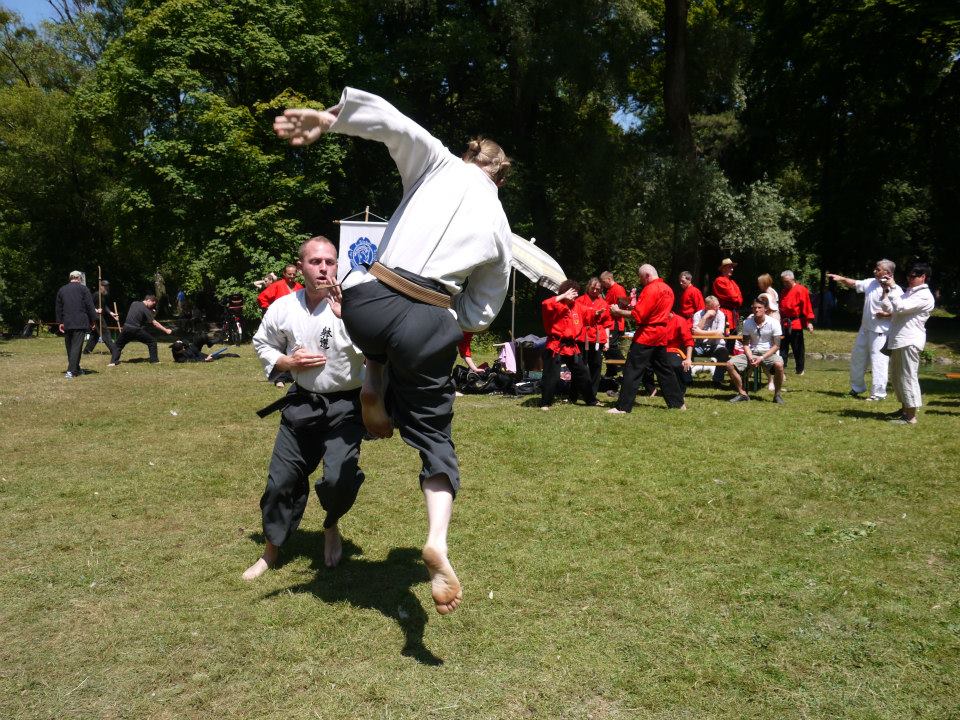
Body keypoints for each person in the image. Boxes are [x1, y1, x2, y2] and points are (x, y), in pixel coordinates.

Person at [274, 87, 513, 615]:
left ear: (471, 154)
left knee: (379, 343)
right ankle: (438, 540)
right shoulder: (500, 225)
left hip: (368, 302)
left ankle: (373, 383)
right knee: (435, 437)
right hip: (428, 318)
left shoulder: (437, 162)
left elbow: (393, 124)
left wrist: (329, 119)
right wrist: (450, 319)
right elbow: (484, 309)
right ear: (499, 176)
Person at [244, 237, 367, 579]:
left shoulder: (354, 306)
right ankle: (271, 550)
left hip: (346, 406)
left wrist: (352, 319)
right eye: (315, 261)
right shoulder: (284, 306)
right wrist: (285, 360)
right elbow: (262, 341)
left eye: (330, 261)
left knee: (339, 478)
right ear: (301, 268)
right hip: (302, 403)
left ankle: (331, 524)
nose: (324, 267)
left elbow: (378, 350)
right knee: (280, 482)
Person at [607, 264, 684, 413]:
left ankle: (623, 407)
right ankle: (678, 404)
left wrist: (618, 311)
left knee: (632, 369)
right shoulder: (668, 289)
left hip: (647, 335)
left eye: (641, 278)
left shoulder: (650, 289)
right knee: (664, 370)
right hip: (661, 334)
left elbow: (639, 316)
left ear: (647, 275)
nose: (641, 281)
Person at [827, 260, 900, 400]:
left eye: (878, 269)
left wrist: (887, 314)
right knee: (857, 359)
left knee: (879, 362)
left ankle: (878, 394)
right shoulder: (871, 282)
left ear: (888, 273)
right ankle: (857, 388)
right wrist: (841, 278)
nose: (875, 271)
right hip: (865, 329)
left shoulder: (896, 289)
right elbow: (854, 283)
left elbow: (902, 310)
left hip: (880, 332)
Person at [879, 262, 935, 425]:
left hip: (909, 340)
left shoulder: (924, 295)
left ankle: (911, 416)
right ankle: (904, 409)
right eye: (908, 275)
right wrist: (886, 290)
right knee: (897, 377)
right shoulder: (910, 292)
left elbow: (901, 307)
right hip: (899, 339)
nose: (909, 279)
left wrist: (894, 287)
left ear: (923, 277)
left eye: (913, 276)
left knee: (908, 377)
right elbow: (890, 308)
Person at [540, 280, 597, 409]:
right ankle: (545, 402)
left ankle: (591, 400)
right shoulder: (555, 304)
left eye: (576, 294)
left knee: (583, 373)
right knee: (551, 376)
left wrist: (600, 312)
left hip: (571, 347)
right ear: (565, 293)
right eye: (572, 294)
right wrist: (562, 297)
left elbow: (589, 312)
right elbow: (545, 304)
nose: (575, 297)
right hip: (556, 345)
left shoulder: (577, 306)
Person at [726, 296, 785, 404]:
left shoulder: (774, 322)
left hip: (768, 353)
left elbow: (776, 345)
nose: (756, 310)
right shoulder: (747, 323)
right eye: (754, 308)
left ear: (765, 309)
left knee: (779, 365)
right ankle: (742, 393)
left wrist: (761, 358)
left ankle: (777, 395)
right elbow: (746, 344)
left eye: (759, 307)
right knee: (729, 364)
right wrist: (750, 357)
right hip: (751, 353)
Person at [642, 311, 692, 406]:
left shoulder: (680, 320)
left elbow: (688, 340)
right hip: (654, 347)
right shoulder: (655, 319)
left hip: (672, 349)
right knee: (643, 363)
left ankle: (679, 391)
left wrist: (688, 358)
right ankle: (651, 389)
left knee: (675, 364)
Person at [55, 270, 98, 379]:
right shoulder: (84, 289)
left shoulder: (62, 290)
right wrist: (93, 320)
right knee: (76, 347)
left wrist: (60, 322)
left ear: (70, 278)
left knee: (70, 347)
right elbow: (90, 306)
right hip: (80, 322)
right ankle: (71, 371)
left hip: (67, 322)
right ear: (79, 278)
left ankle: (76, 368)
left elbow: (58, 308)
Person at [574, 277, 612, 398]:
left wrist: (607, 341)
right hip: (582, 336)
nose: (595, 291)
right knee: (581, 365)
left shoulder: (604, 303)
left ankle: (592, 393)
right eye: (593, 288)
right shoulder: (579, 300)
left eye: (598, 289)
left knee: (596, 365)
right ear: (588, 287)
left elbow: (607, 324)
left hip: (597, 337)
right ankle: (578, 391)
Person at [109, 295, 173, 365]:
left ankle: (113, 362)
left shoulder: (134, 303)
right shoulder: (145, 309)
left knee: (118, 345)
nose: (153, 306)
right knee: (152, 342)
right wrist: (166, 330)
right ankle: (154, 361)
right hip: (135, 330)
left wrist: (151, 311)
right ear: (148, 300)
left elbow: (140, 314)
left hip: (126, 328)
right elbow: (154, 323)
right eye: (153, 304)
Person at [778, 270, 815, 375]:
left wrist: (808, 322)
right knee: (783, 347)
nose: (785, 284)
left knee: (798, 348)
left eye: (787, 281)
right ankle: (782, 368)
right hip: (784, 323)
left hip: (795, 323)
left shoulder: (801, 290)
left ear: (792, 279)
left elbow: (807, 306)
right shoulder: (784, 291)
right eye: (783, 282)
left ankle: (800, 369)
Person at [691, 295, 729, 386]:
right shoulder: (698, 314)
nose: (718, 308)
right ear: (707, 307)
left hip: (715, 345)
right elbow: (695, 334)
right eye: (715, 307)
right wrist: (705, 317)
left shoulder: (721, 314)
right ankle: (687, 380)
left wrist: (700, 332)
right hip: (699, 346)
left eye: (718, 306)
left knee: (724, 352)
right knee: (687, 351)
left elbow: (719, 333)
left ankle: (717, 380)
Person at [600, 270, 628, 377]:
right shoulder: (610, 290)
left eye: (603, 282)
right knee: (606, 347)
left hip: (615, 323)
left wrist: (613, 310)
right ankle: (611, 371)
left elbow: (623, 306)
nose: (603, 284)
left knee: (610, 346)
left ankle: (625, 367)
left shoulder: (618, 289)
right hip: (609, 322)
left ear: (609, 279)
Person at [83, 279, 119, 355]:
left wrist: (111, 313)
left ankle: (86, 351)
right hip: (96, 317)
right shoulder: (96, 295)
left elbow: (104, 306)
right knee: (106, 333)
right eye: (105, 286)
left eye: (107, 286)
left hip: (99, 317)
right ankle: (114, 350)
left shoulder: (103, 296)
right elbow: (89, 306)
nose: (107, 288)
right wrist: (96, 310)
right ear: (101, 286)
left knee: (95, 335)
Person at [712, 259, 743, 337]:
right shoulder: (719, 280)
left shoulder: (732, 282)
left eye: (732, 267)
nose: (732, 269)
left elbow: (740, 299)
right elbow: (733, 297)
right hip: (725, 313)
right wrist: (737, 298)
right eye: (729, 267)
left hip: (734, 314)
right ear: (723, 268)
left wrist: (737, 298)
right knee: (725, 337)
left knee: (734, 339)